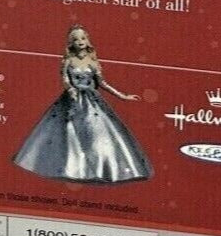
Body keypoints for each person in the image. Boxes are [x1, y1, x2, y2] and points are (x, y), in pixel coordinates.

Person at [12, 26, 152, 184]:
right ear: (71, 43)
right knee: (68, 133)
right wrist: (71, 90)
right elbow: (65, 80)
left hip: (92, 102)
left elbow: (103, 83)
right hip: (70, 101)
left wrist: (122, 96)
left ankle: (101, 169)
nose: (80, 41)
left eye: (83, 38)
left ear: (88, 40)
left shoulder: (93, 62)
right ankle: (71, 168)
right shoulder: (68, 61)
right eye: (76, 39)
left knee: (97, 133)